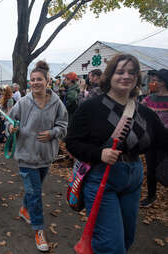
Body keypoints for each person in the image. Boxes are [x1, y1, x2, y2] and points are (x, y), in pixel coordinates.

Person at [65, 54, 168, 254]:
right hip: (101, 178)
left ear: (137, 78)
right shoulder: (91, 107)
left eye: (132, 72)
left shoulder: (145, 112)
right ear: (110, 75)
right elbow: (72, 142)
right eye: (120, 71)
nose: (126, 76)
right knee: (111, 245)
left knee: (127, 238)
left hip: (134, 178)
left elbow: (163, 140)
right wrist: (99, 153)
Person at [7, 61, 68, 252]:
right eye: (32, 80)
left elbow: (64, 126)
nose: (35, 83)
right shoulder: (23, 103)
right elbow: (9, 122)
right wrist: (11, 128)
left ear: (47, 81)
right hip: (26, 156)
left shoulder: (57, 103)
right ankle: (39, 230)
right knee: (35, 193)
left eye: (39, 79)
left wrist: (53, 133)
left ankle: (25, 208)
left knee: (34, 189)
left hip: (46, 156)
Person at [139, 68, 168, 207]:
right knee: (150, 168)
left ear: (163, 83)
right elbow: (138, 111)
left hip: (165, 141)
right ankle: (151, 196)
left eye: (155, 80)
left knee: (164, 167)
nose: (152, 82)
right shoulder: (149, 99)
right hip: (151, 140)